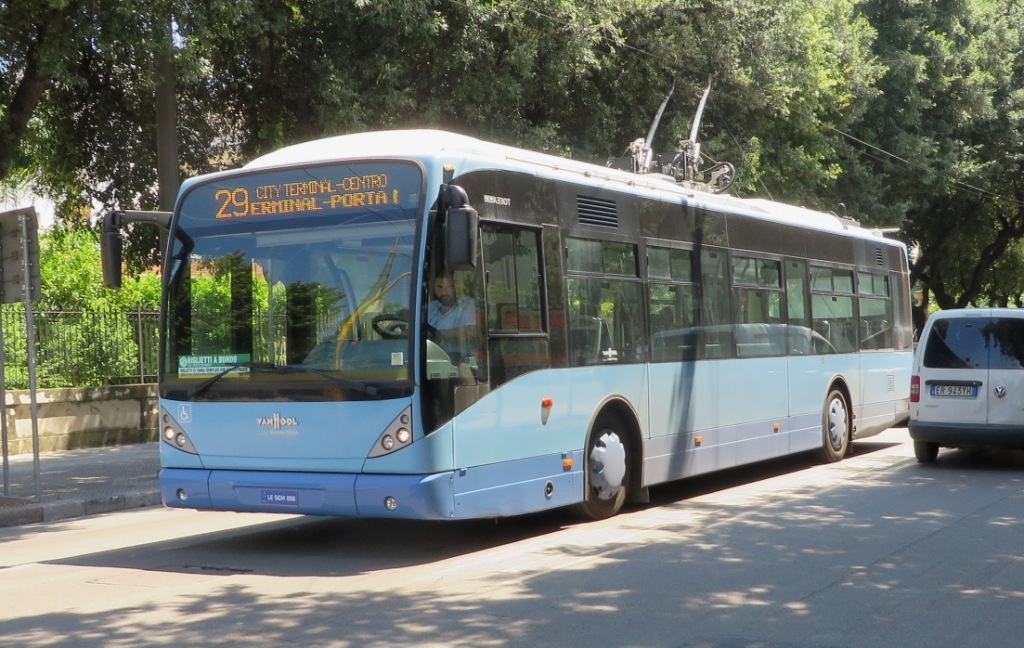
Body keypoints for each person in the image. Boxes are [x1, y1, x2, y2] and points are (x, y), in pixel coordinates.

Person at [426, 273, 478, 361]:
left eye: (449, 287)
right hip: (430, 361)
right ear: (434, 288)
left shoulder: (467, 305)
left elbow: (471, 332)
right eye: (439, 287)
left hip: (459, 363)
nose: (444, 292)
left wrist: (437, 334)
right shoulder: (431, 307)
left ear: (456, 288)